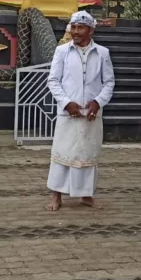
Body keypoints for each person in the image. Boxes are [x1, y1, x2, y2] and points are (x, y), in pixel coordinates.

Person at [46, 11, 115, 211]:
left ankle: (86, 195)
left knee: (88, 153)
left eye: (80, 28)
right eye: (73, 27)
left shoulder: (103, 53)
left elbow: (109, 82)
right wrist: (67, 103)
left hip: (92, 114)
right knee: (62, 153)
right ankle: (56, 196)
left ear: (90, 30)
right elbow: (53, 81)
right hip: (68, 113)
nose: (75, 32)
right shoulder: (62, 51)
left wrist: (98, 102)